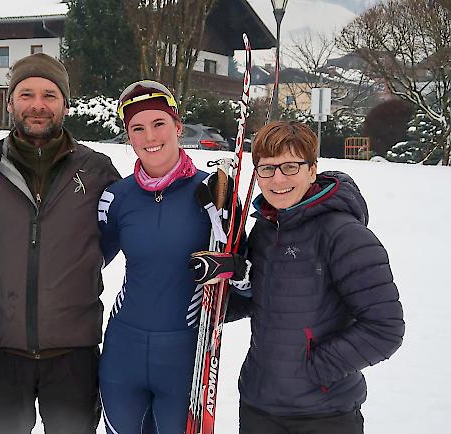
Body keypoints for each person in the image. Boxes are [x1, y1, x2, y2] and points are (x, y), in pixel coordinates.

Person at [0, 52, 121, 434]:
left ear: (65, 104)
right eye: (26, 94)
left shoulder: (97, 171)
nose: (38, 105)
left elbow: (111, 242)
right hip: (0, 351)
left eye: (49, 95)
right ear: (10, 101)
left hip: (73, 356)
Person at [225, 120, 405, 434]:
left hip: (324, 416)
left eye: (290, 167)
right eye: (266, 169)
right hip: (259, 407)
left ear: (312, 170)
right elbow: (256, 300)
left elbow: (385, 328)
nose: (277, 179)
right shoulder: (266, 229)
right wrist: (225, 286)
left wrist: (317, 370)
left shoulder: (345, 235)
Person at [97, 79, 247, 433]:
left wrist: (233, 269)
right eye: (137, 128)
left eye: (159, 123)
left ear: (178, 126)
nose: (150, 136)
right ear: (128, 136)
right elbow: (85, 265)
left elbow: (249, 286)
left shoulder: (217, 194)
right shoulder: (117, 198)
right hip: (123, 350)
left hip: (186, 354)